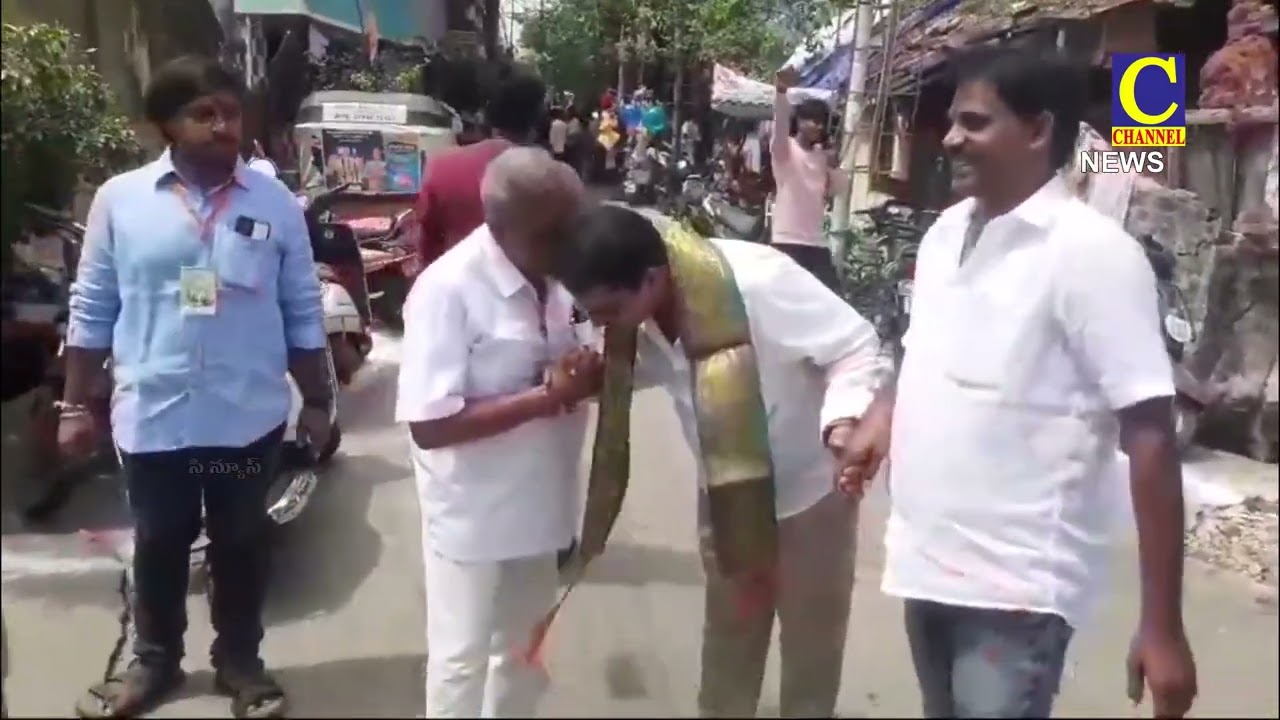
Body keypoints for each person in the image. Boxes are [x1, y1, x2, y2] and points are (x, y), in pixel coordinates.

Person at [834, 46, 1199, 719]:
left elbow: (1150, 437)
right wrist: (880, 418)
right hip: (927, 564)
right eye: (952, 122)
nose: (949, 139)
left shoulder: (1092, 256)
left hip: (1016, 591)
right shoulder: (947, 233)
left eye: (974, 123)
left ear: (1038, 131)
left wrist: (1163, 626)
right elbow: (923, 351)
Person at [60, 55, 331, 719]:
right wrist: (73, 403)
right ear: (166, 127)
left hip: (247, 418)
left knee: (242, 542)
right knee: (159, 542)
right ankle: (154, 662)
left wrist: (320, 401)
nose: (222, 125)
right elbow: (93, 306)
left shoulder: (275, 205)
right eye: (202, 114)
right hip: (155, 416)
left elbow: (302, 307)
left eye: (230, 112)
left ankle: (240, 663)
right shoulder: (120, 202)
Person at [549, 205, 884, 718]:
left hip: (810, 497)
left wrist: (844, 419)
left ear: (652, 278)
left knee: (811, 644)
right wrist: (591, 380)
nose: (603, 326)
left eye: (609, 312)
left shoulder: (757, 282)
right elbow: (652, 370)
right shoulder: (633, 317)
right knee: (731, 634)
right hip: (726, 494)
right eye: (591, 315)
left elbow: (857, 345)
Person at [396, 147, 600, 718]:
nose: (568, 244)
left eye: (572, 226)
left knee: (522, 648)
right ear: (500, 227)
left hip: (542, 504)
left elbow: (577, 363)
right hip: (473, 512)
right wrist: (546, 397)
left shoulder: (561, 279)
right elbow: (430, 425)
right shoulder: (448, 290)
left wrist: (583, 376)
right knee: (461, 657)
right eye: (552, 233)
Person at [415, 65, 547, 272]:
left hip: (454, 286)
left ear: (486, 115)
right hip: (522, 295)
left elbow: (426, 246)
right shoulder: (553, 179)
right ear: (538, 120)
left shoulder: (442, 166)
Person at [770, 68, 842, 291]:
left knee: (832, 298)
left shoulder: (823, 156)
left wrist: (834, 166)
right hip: (787, 240)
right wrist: (781, 92)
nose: (817, 126)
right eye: (812, 120)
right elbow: (779, 127)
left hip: (816, 242)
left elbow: (837, 191)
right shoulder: (785, 151)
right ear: (799, 121)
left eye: (821, 122)